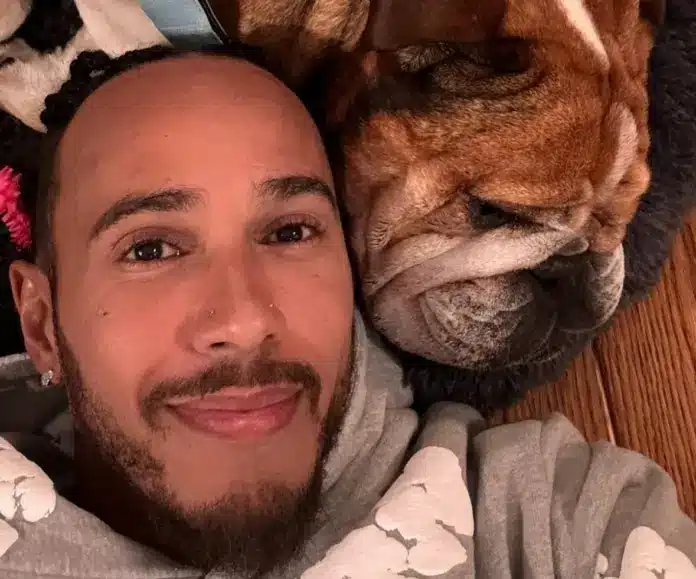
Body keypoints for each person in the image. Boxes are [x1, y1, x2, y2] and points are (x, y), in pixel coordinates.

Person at [0, 44, 694, 579]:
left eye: (290, 231)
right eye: (151, 248)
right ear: (41, 325)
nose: (244, 319)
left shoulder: (555, 523)